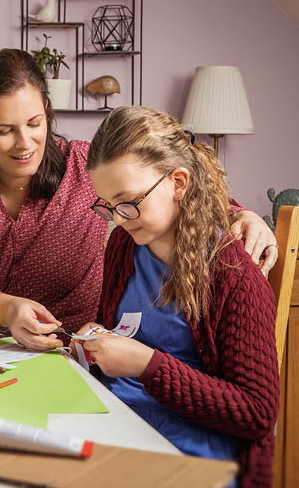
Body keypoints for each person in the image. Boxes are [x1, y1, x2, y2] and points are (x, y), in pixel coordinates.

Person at [0, 48, 278, 351]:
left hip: (85, 350)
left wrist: (241, 214)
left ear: (47, 111)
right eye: (5, 131)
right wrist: (6, 309)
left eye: (34, 123)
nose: (25, 143)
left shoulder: (84, 166)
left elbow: (171, 189)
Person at [79, 106, 278, 488]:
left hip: (195, 449)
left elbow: (257, 413)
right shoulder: (125, 244)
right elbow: (123, 331)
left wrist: (147, 365)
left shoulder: (233, 274)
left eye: (128, 202)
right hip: (120, 423)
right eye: (108, 206)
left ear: (179, 183)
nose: (119, 219)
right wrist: (97, 340)